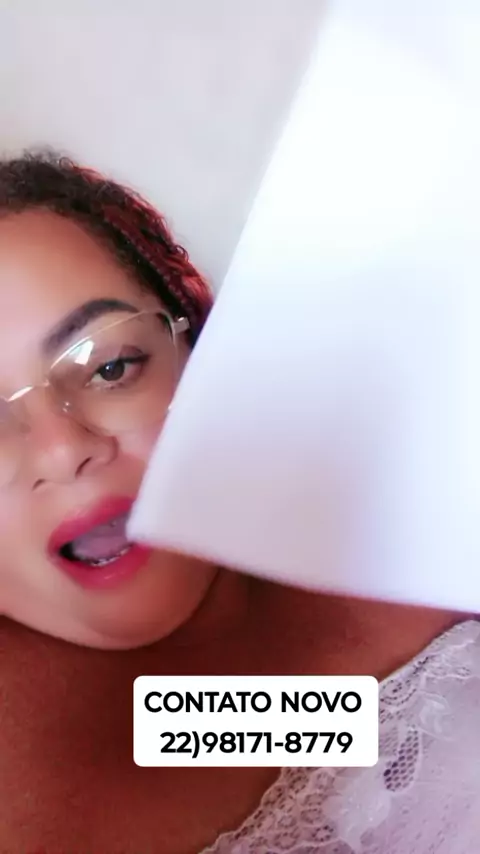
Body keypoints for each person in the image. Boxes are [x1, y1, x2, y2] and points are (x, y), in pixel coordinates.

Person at [0, 150, 478, 854]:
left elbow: (237, 726)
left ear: (198, 344)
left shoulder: (397, 481)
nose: (63, 449)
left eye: (110, 367)